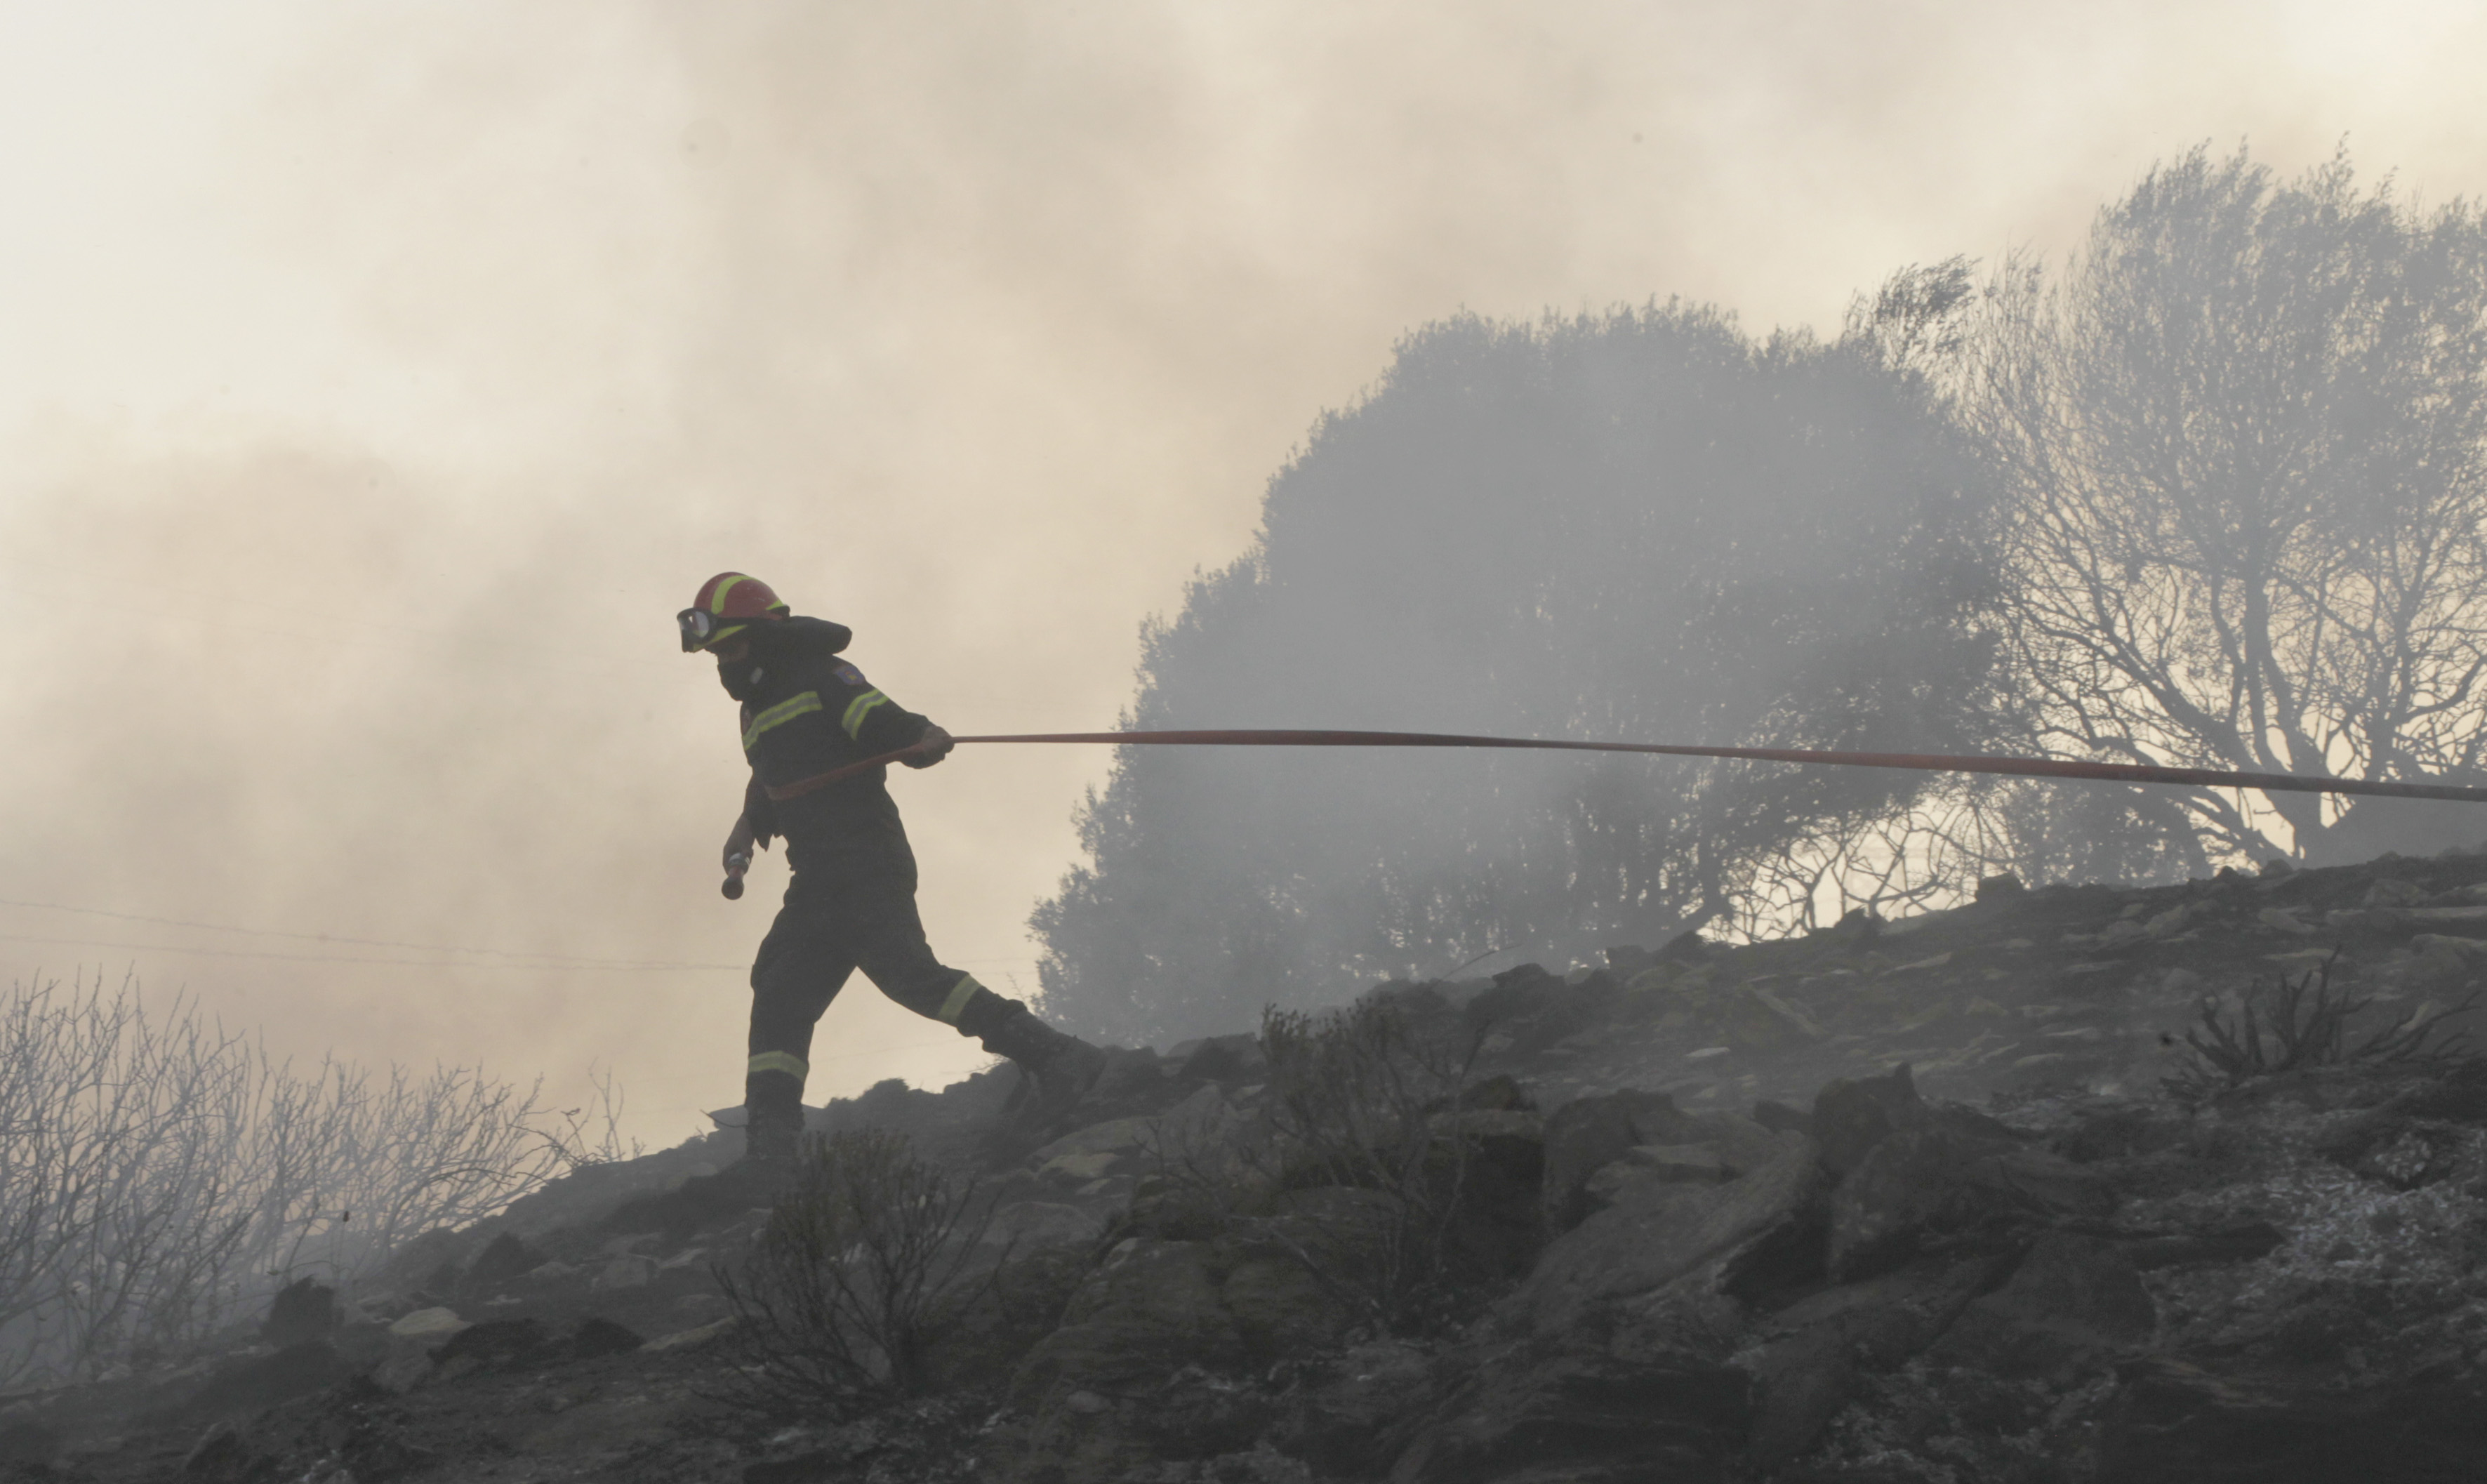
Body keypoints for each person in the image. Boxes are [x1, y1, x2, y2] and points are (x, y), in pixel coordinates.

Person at [679, 571, 1105, 1165]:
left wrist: (918, 738)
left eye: (729, 646)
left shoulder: (821, 675)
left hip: (866, 860)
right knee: (779, 990)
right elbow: (774, 775)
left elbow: (876, 718)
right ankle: (771, 1149)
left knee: (909, 976)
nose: (723, 662)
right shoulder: (755, 710)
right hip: (817, 879)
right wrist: (749, 826)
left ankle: (1058, 1056)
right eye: (716, 652)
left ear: (763, 636)